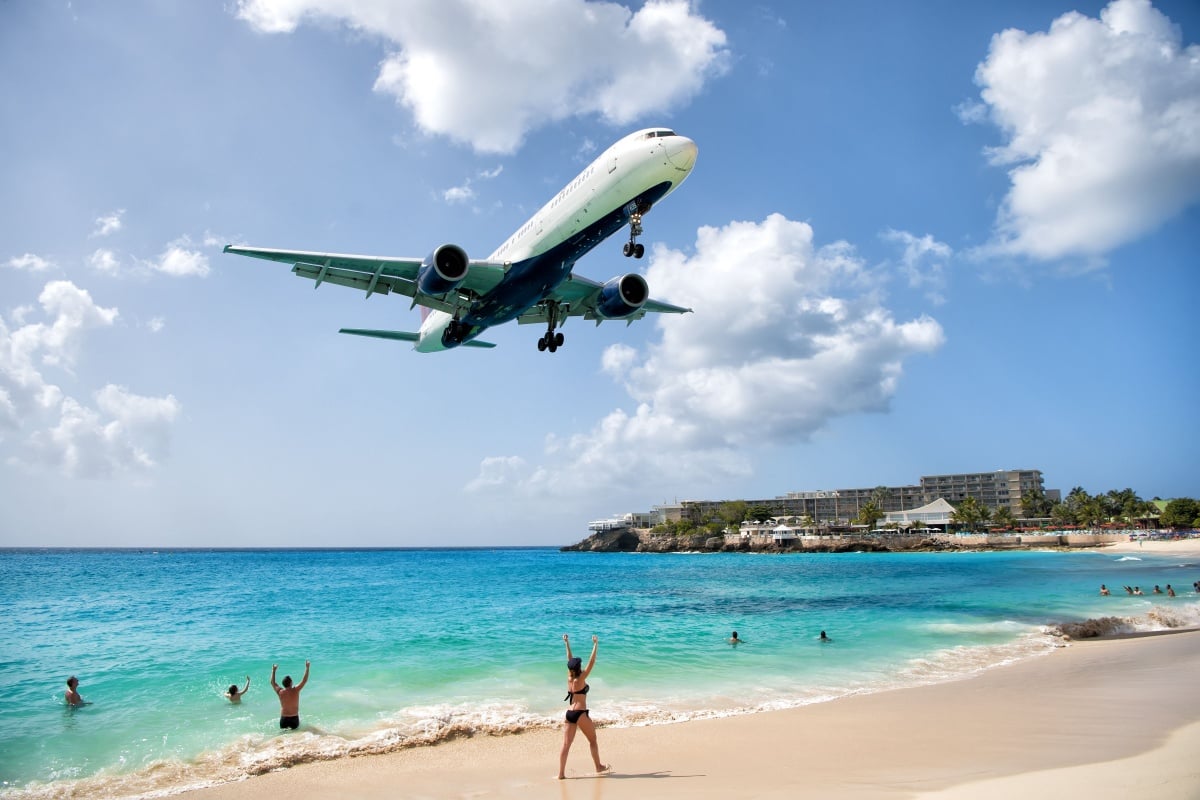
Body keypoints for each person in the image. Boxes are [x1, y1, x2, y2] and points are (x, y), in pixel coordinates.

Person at [558, 635, 609, 780]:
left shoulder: (570, 678)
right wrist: (595, 644)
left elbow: (570, 660)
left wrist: (566, 643)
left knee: (566, 745)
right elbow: (592, 662)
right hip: (580, 713)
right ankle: (598, 766)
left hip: (569, 714)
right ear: (579, 667)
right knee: (593, 740)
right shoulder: (581, 678)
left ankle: (561, 774)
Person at [271, 661, 309, 730]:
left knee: (283, 737)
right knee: (296, 737)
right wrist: (307, 667)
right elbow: (304, 680)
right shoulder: (296, 690)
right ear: (291, 683)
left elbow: (272, 682)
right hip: (294, 718)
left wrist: (273, 670)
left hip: (284, 718)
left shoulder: (280, 692)